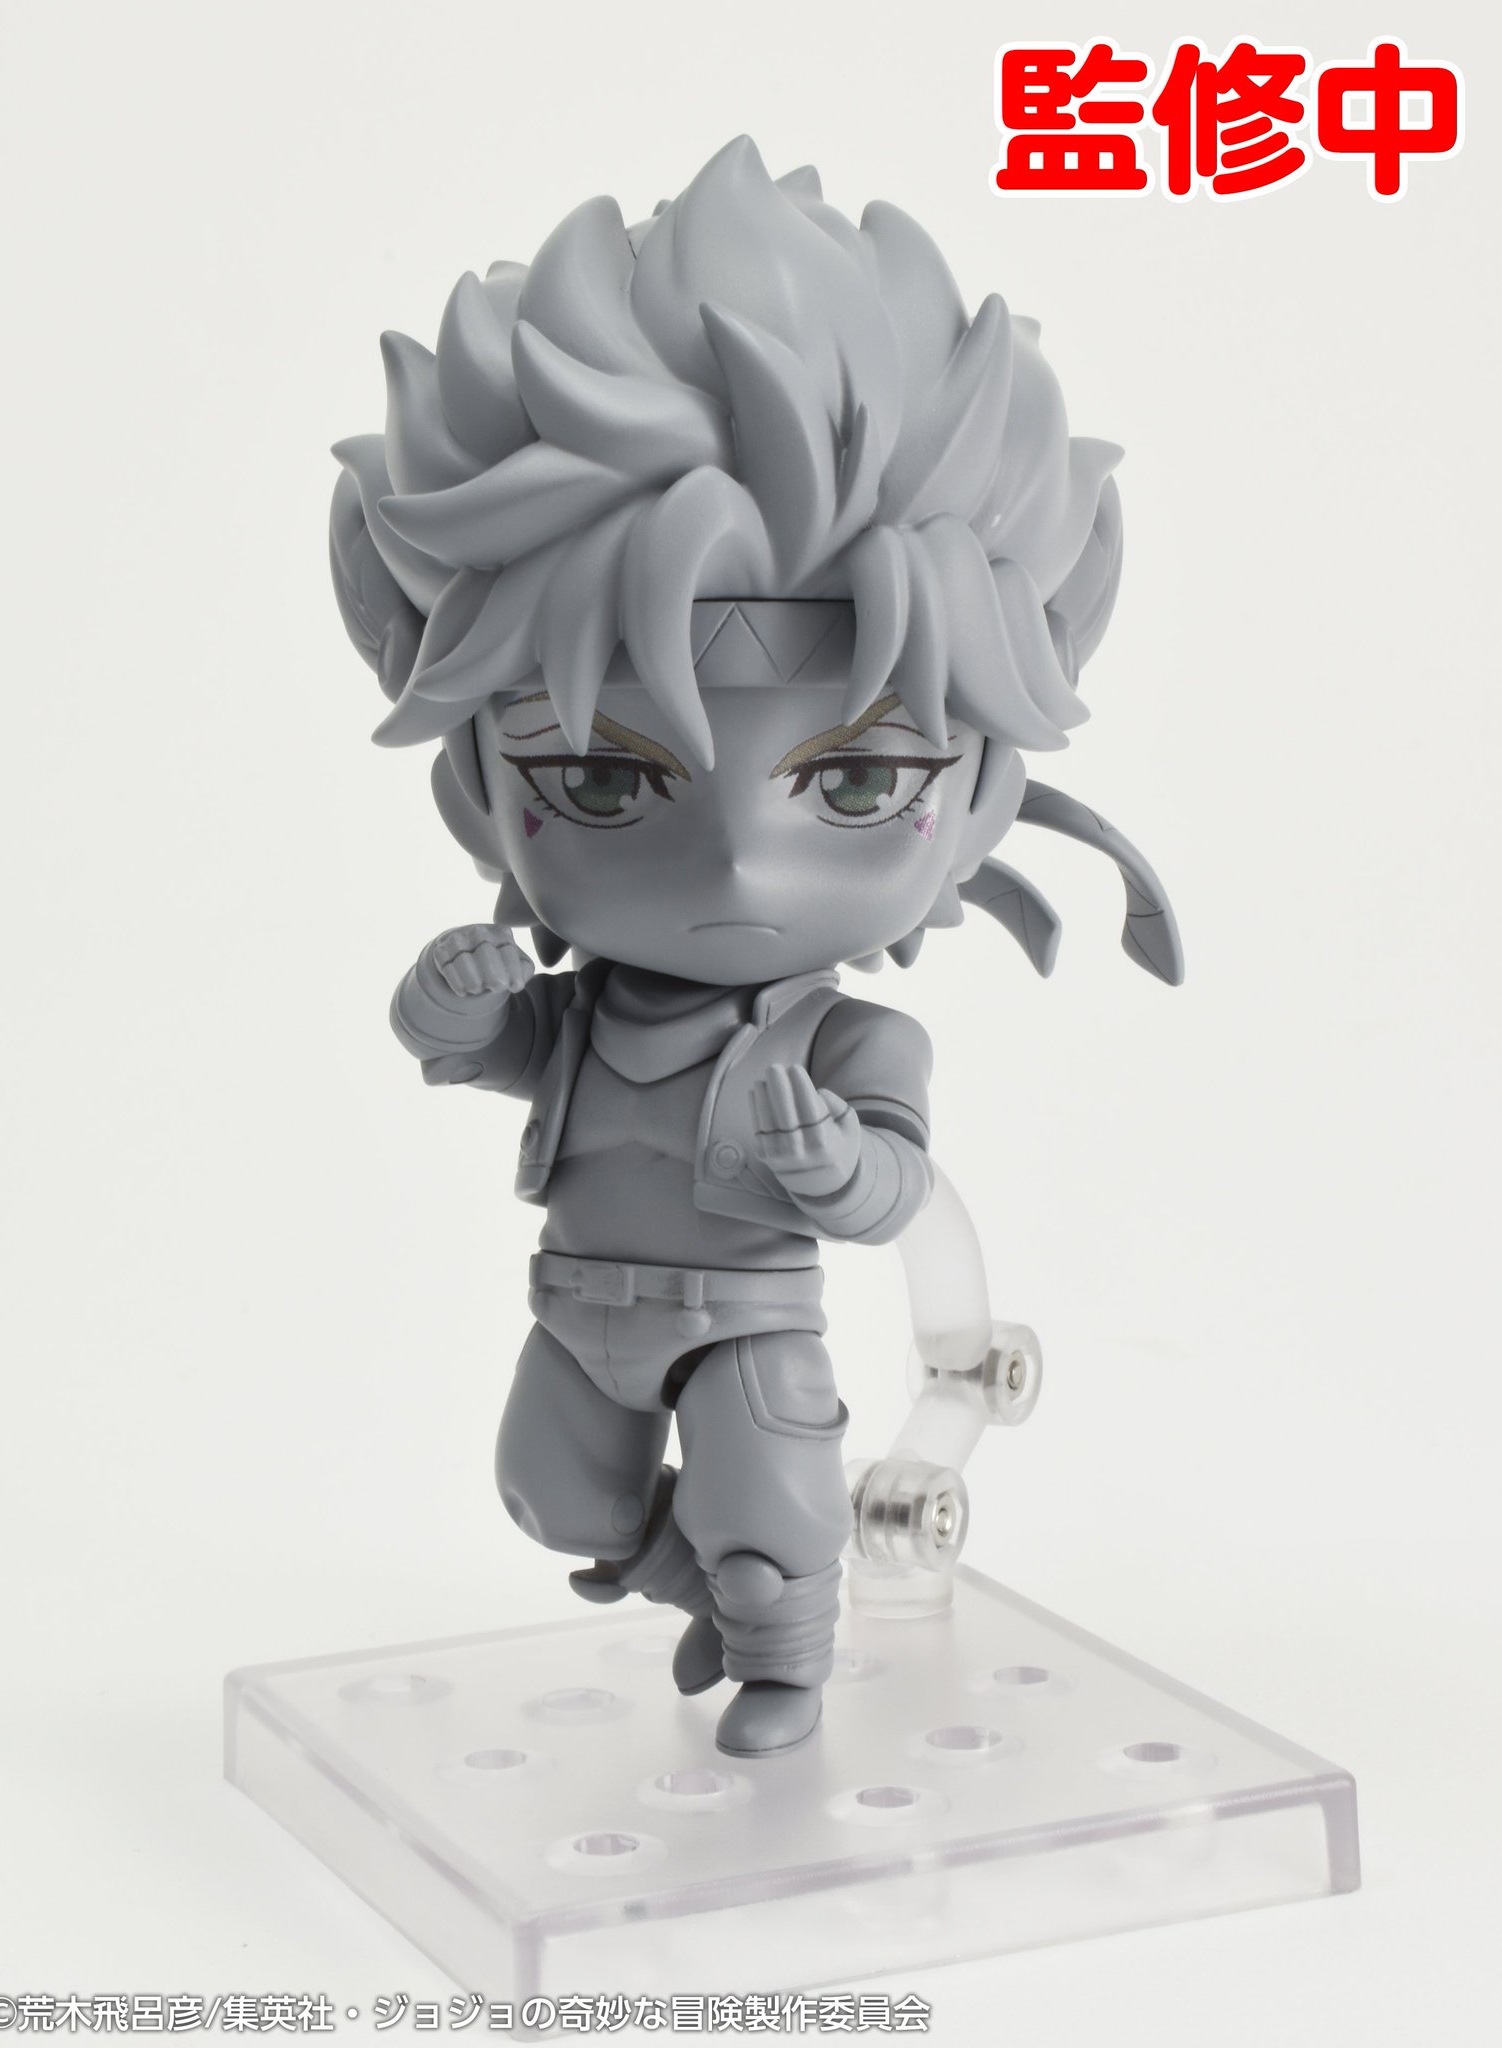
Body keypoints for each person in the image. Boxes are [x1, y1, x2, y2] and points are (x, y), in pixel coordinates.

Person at [328, 136, 1180, 1757]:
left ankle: (784, 1651)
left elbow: (896, 1189)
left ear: (975, 793)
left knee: (773, 1507)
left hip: (745, 1317)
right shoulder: (591, 1002)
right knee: (548, 1491)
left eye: (855, 784)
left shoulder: (851, 1041)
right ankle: (696, 1589)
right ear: (487, 787)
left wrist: (833, 1164)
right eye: (601, 780)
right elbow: (497, 1050)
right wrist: (449, 1008)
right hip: (578, 1299)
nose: (733, 859)